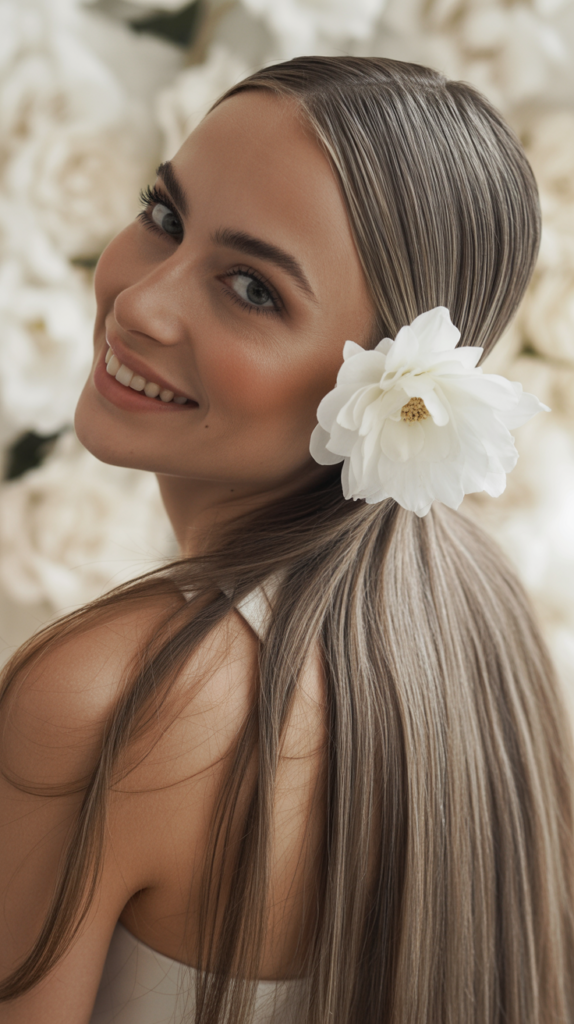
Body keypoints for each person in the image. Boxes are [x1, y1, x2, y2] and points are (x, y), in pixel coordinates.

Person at [0, 55, 573, 1024]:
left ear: (385, 381)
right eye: (165, 216)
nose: (140, 301)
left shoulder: (109, 702)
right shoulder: (472, 622)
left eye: (251, 288)